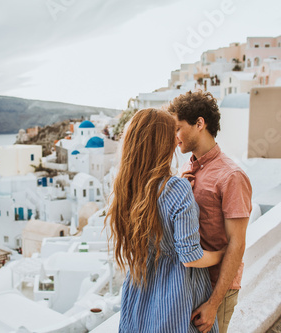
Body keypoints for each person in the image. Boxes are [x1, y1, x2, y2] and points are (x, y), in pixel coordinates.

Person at [107, 108, 225, 332]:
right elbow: (190, 257)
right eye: (172, 133)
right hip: (175, 296)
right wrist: (222, 254)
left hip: (140, 293)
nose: (177, 139)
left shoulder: (126, 189)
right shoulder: (177, 189)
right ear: (162, 142)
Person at [167, 90, 252, 333]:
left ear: (200, 123)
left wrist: (214, 303)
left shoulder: (231, 176)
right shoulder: (186, 167)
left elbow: (237, 243)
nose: (175, 137)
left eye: (178, 128)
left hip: (217, 289)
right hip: (190, 285)